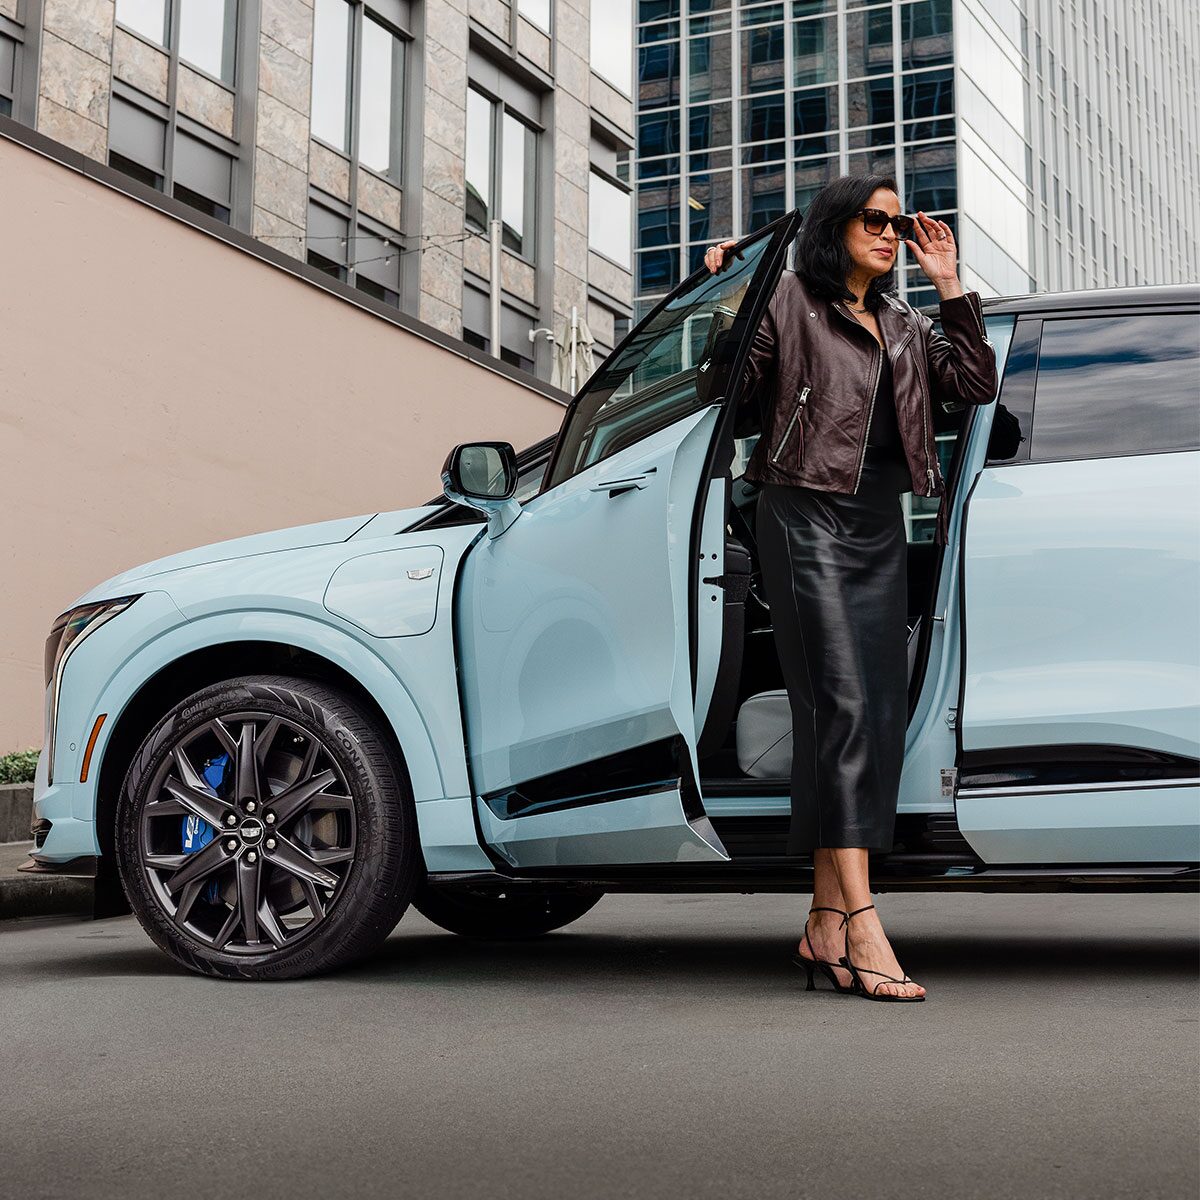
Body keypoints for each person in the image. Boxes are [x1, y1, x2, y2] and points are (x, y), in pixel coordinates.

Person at [704, 175, 997, 1001]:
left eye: (896, 220)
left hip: (877, 523)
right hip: (802, 510)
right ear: (834, 227)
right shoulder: (790, 298)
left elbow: (973, 385)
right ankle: (864, 921)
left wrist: (949, 285)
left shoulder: (903, 321)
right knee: (840, 709)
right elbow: (722, 389)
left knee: (875, 714)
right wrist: (733, 296)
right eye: (874, 218)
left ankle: (823, 925)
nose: (890, 231)